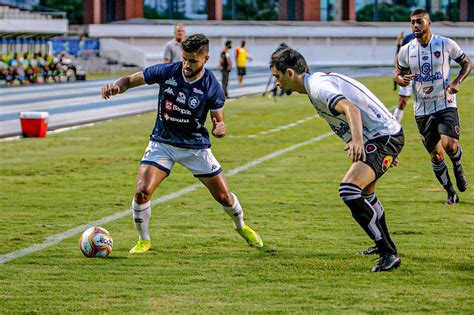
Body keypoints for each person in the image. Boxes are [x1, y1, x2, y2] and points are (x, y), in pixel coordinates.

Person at [101, 34, 263, 253]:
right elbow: (130, 80)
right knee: (142, 191)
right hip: (162, 142)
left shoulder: (212, 86)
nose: (186, 64)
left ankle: (241, 226)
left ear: (206, 59)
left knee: (224, 197)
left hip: (195, 147)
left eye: (193, 61)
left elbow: (219, 123)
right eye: (185, 58)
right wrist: (117, 87)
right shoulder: (168, 71)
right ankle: (144, 240)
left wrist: (220, 129)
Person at [270, 48, 404, 272]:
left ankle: (388, 252)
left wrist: (359, 142)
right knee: (367, 194)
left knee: (349, 190)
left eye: (277, 76)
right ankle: (382, 245)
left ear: (290, 73)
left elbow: (350, 108)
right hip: (383, 137)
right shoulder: (316, 84)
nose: (276, 83)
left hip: (382, 137)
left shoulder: (318, 86)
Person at [394, 9, 472, 204]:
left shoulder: (445, 44)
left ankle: (458, 166)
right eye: (412, 22)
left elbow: (467, 64)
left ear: (428, 23)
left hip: (446, 103)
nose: (415, 26)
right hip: (422, 110)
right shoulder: (406, 51)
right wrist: (401, 80)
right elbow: (397, 74)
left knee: (450, 145)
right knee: (436, 156)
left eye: (419, 22)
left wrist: (456, 82)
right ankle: (450, 192)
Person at [393, 32, 415, 122]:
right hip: (408, 74)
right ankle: (395, 125)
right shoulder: (408, 38)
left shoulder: (428, 38)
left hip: (422, 75)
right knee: (402, 101)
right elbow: (399, 55)